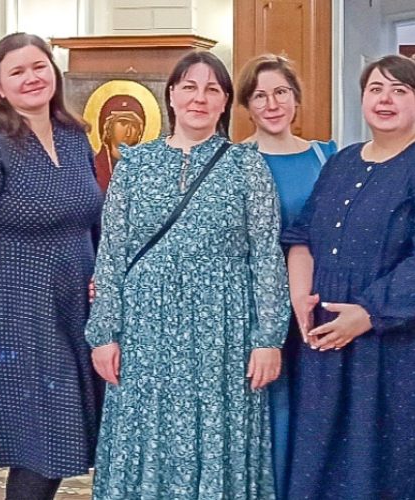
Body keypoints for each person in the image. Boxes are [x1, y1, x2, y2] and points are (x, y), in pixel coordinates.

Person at [85, 50, 290, 499]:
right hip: (145, 330)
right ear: (172, 95)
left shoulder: (246, 165)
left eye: (212, 89)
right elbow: (112, 253)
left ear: (225, 102)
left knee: (217, 431)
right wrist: (103, 334)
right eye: (190, 87)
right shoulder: (134, 165)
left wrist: (268, 338)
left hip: (224, 332)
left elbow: (265, 256)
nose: (200, 98)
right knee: (146, 430)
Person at [284, 54, 415, 499]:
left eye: (399, 90)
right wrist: (300, 296)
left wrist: (368, 314)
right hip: (328, 338)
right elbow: (302, 236)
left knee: (397, 462)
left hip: (404, 343)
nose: (385, 99)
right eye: (376, 89)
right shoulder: (342, 162)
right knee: (328, 457)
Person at [0, 32, 103, 500]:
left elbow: (92, 220)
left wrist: (103, 278)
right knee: (43, 445)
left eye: (39, 66)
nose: (31, 77)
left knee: (67, 436)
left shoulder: (75, 137)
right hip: (21, 313)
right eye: (17, 71)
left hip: (76, 308)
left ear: (54, 72)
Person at [235, 53, 337, 500]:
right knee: (267, 407)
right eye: (260, 96)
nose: (272, 104)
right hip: (253, 305)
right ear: (246, 105)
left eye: (281, 92)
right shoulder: (233, 161)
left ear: (296, 99)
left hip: (315, 301)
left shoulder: (326, 155)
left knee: (313, 407)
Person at [93, 93, 146, 192]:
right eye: (123, 123)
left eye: (134, 126)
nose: (128, 132)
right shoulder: (93, 169)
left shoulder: (146, 170)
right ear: (108, 128)